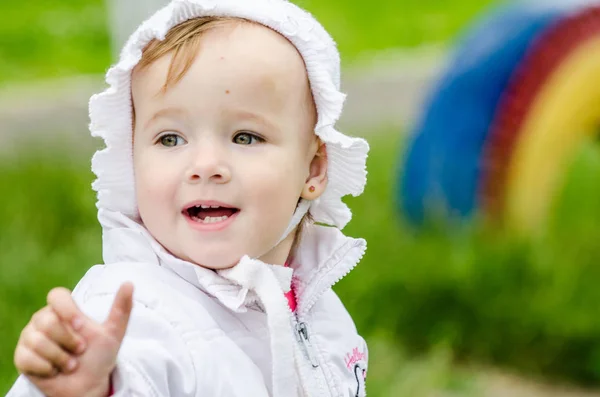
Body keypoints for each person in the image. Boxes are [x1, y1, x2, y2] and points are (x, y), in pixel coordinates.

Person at [8, 0, 370, 395]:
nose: (205, 165)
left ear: (314, 168)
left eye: (245, 137)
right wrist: (94, 387)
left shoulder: (318, 306)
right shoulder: (129, 313)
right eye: (170, 139)